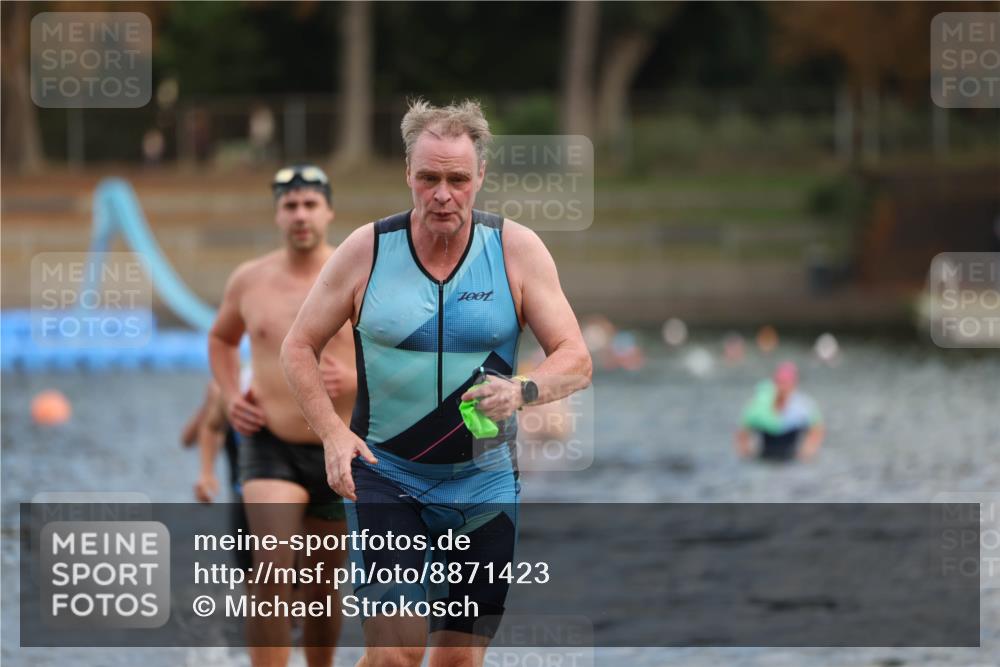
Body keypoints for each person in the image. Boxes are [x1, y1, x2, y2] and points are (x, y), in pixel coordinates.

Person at [281, 99, 592, 667]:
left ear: (480, 177)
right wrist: (331, 433)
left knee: (458, 662)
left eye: (457, 180)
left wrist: (521, 390)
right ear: (408, 174)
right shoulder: (368, 250)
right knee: (396, 656)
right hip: (386, 475)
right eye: (428, 178)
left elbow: (576, 358)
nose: (442, 194)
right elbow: (297, 345)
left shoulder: (516, 250)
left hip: (484, 483)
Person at [209, 164, 356, 667]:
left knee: (321, 583)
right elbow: (221, 338)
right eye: (290, 206)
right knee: (269, 573)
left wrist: (355, 380)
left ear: (329, 212)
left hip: (337, 447)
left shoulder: (358, 273)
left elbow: (398, 354)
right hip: (270, 443)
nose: (300, 215)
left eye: (310, 204)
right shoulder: (250, 280)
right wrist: (231, 394)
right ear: (277, 215)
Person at [735, 361, 824, 462]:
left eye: (786, 383)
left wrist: (807, 452)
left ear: (794, 384)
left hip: (790, 457)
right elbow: (743, 432)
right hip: (765, 455)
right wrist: (746, 452)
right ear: (774, 383)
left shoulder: (803, 406)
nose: (783, 387)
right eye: (780, 383)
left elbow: (817, 430)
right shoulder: (759, 406)